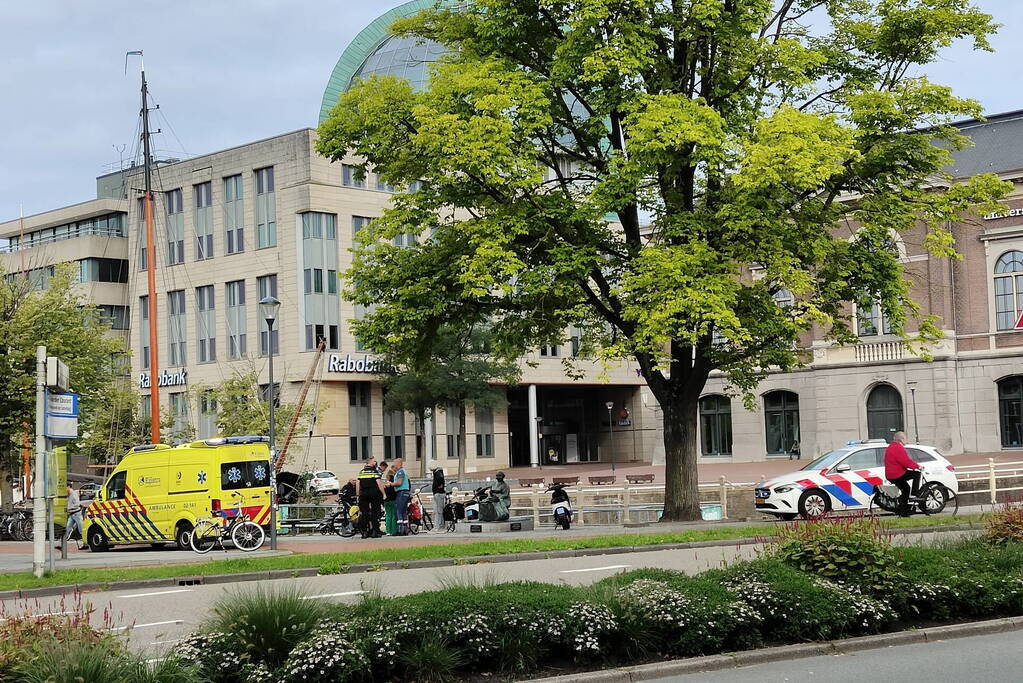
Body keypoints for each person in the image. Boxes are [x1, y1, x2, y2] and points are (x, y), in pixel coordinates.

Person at [884, 431, 922, 516]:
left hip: (890, 475)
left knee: (906, 488)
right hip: (897, 474)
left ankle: (903, 510)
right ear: (902, 439)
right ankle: (914, 495)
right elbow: (905, 461)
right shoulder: (898, 447)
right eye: (906, 438)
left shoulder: (890, 447)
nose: (907, 441)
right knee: (916, 474)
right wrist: (917, 466)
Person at [355, 456, 385, 538]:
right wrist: (384, 494)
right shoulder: (374, 472)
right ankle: (375, 532)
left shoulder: (361, 472)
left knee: (364, 513)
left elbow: (358, 483)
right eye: (374, 461)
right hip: (374, 493)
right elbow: (379, 483)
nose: (375, 463)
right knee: (375, 513)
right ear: (370, 462)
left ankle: (364, 532)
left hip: (363, 494)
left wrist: (358, 494)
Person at [61, 483, 85, 550]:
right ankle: (63, 545)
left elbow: (77, 504)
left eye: (65, 488)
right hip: (72, 514)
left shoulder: (73, 494)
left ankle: (86, 544)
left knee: (81, 529)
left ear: (68, 487)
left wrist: (69, 508)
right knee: (67, 528)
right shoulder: (69, 495)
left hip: (77, 514)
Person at [392, 457, 411, 536]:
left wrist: (391, 484)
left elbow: (399, 483)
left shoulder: (400, 472)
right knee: (403, 511)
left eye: (395, 463)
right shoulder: (403, 471)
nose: (393, 465)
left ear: (399, 463)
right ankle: (405, 529)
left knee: (398, 510)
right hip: (405, 492)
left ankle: (400, 529)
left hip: (401, 492)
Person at [382, 463, 398, 536]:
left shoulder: (385, 483)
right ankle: (393, 530)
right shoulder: (393, 483)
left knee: (388, 515)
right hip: (393, 500)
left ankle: (388, 531)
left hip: (386, 501)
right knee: (394, 515)